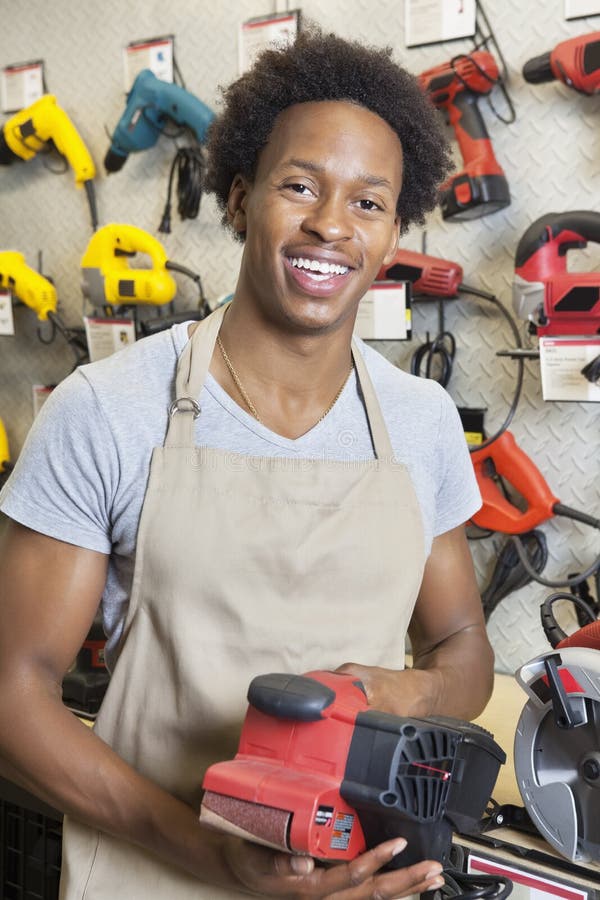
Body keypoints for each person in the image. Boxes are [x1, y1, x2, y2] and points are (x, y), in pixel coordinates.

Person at [0, 26, 494, 900]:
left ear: (392, 236)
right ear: (238, 200)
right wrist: (205, 851)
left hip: (362, 879)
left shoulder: (418, 423)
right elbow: (13, 694)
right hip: (152, 874)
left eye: (369, 203)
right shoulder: (108, 409)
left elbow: (462, 648)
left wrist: (400, 691)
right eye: (299, 186)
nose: (331, 226)